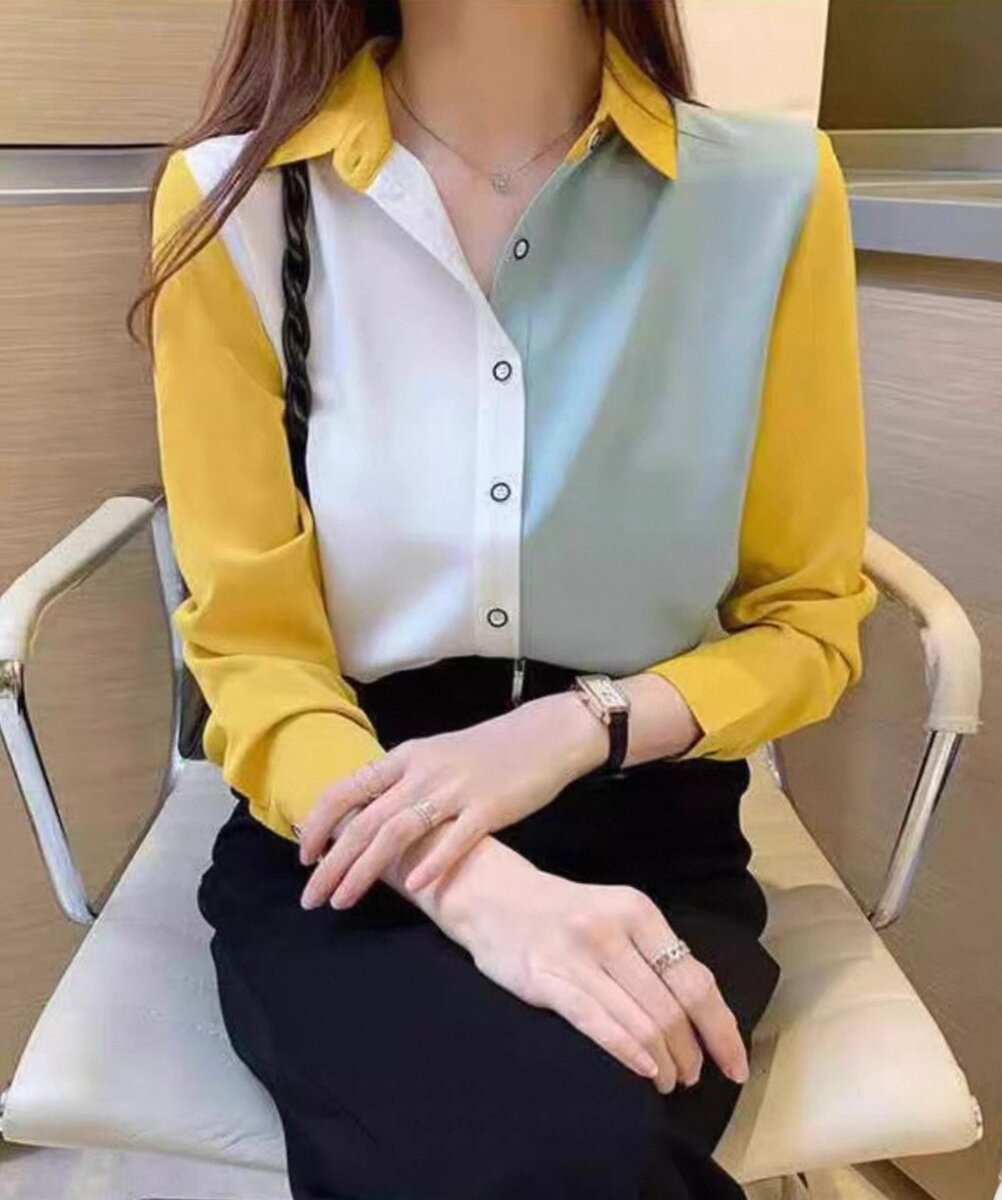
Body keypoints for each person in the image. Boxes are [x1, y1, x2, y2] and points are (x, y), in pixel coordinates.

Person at [130, 1, 878, 1196]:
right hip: (351, 816)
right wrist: (467, 881)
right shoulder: (240, 202)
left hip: (643, 807)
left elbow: (807, 622)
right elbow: (252, 654)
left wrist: (571, 729)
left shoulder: (770, 193)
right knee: (540, 1153)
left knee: (579, 1147)